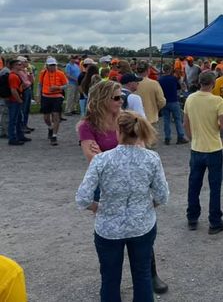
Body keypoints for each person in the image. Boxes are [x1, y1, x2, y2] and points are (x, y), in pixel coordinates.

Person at [78, 80, 168, 295]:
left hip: (117, 179)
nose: (122, 101)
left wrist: (108, 156)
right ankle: (146, 277)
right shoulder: (88, 125)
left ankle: (152, 274)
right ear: (102, 99)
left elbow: (136, 147)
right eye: (117, 98)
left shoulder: (125, 119)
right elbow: (92, 156)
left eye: (122, 98)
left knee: (131, 262)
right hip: (108, 184)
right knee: (137, 240)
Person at [183, 71, 223, 233]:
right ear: (213, 83)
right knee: (214, 186)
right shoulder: (218, 101)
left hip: (196, 147)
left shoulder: (190, 98)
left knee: (194, 184)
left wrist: (192, 138)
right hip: (214, 148)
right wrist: (216, 124)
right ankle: (215, 220)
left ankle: (192, 217)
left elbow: (185, 123)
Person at [39, 56, 68, 146]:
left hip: (57, 97)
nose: (53, 67)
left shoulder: (60, 73)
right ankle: (50, 128)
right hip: (45, 97)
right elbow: (40, 84)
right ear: (47, 66)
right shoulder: (43, 73)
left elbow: (67, 85)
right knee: (46, 118)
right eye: (51, 65)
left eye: (54, 65)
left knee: (56, 116)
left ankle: (54, 136)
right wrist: (37, 95)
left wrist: (58, 87)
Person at [158, 64, 188, 146]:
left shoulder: (160, 80)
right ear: (170, 70)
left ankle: (167, 138)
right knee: (178, 119)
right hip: (174, 101)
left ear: (163, 70)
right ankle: (180, 137)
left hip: (164, 102)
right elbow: (179, 88)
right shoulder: (174, 79)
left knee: (166, 120)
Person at [6, 59, 30, 146]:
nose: (21, 65)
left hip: (15, 100)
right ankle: (12, 138)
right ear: (14, 66)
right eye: (19, 64)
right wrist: (19, 100)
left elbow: (17, 88)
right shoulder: (13, 76)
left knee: (19, 119)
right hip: (14, 101)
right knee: (13, 120)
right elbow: (13, 90)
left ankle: (20, 135)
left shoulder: (15, 75)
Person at [135, 61, 166, 126]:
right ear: (148, 70)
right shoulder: (154, 83)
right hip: (151, 119)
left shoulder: (132, 83)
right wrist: (155, 108)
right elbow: (162, 101)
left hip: (135, 119)